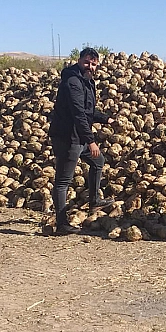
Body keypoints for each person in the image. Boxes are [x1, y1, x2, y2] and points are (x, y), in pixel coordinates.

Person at [48, 47, 114, 235]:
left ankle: (94, 200)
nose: (90, 66)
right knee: (63, 181)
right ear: (79, 60)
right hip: (67, 136)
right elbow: (78, 114)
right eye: (87, 62)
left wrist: (105, 118)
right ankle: (62, 224)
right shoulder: (73, 82)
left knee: (98, 161)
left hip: (79, 136)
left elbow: (87, 110)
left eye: (93, 64)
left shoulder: (87, 81)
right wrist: (91, 141)